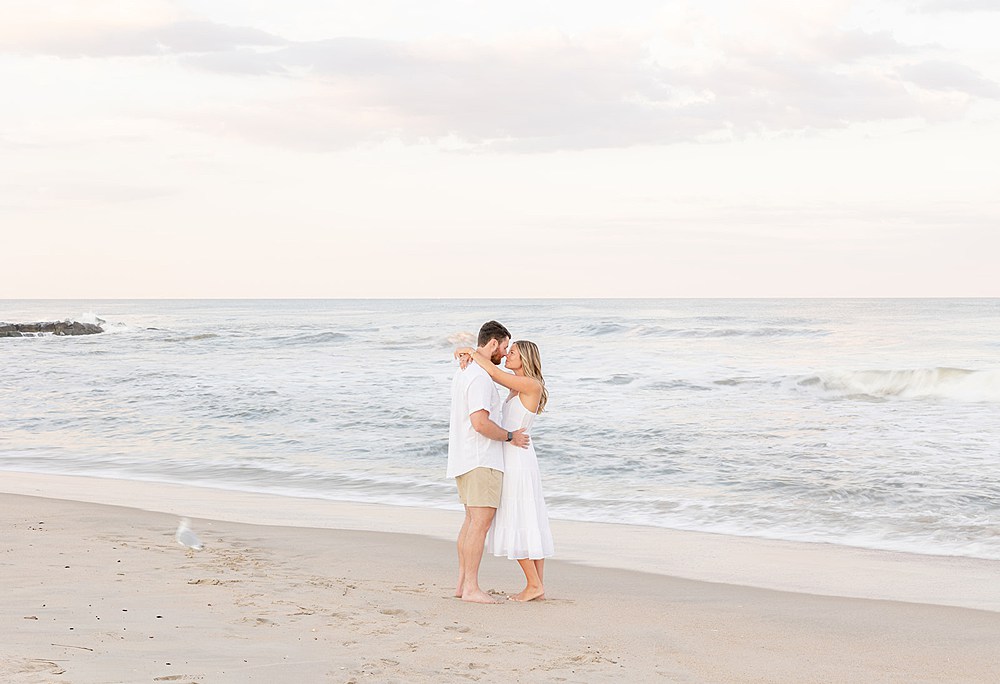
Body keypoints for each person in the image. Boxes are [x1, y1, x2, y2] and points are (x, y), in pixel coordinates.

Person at [455, 339, 553, 602]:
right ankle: (538, 586)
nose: (507, 355)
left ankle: (534, 585)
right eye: (508, 351)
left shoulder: (531, 384)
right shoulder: (516, 386)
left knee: (519, 519)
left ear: (526, 358)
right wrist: (467, 355)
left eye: (513, 353)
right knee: (528, 519)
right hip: (514, 455)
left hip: (517, 459)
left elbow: (494, 373)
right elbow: (492, 372)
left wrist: (473, 353)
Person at [447, 320, 530, 604]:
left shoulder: (466, 370)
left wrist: (467, 352)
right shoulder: (480, 377)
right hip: (481, 459)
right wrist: (509, 436)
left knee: (471, 522)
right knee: (479, 525)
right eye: (504, 347)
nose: (505, 353)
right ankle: (470, 587)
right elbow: (480, 423)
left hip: (464, 457)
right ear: (493, 344)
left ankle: (462, 584)